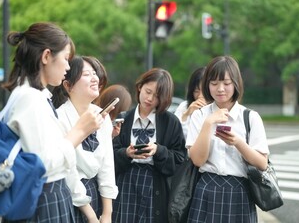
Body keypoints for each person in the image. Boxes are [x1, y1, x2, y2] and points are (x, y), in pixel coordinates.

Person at [1, 22, 103, 222]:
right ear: (46, 56)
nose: (67, 67)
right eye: (66, 59)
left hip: (46, 196)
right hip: (43, 199)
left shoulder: (34, 96)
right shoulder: (29, 98)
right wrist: (79, 132)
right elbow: (42, 164)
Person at [186, 56, 270, 223]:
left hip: (239, 191)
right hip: (206, 189)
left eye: (226, 83)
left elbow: (262, 163)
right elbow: (197, 160)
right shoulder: (199, 115)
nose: (220, 89)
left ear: (236, 83)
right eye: (214, 83)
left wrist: (237, 142)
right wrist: (209, 123)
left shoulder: (250, 117)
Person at [112, 68, 187, 223]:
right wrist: (126, 153)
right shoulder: (123, 119)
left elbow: (180, 159)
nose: (150, 98)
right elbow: (109, 155)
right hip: (126, 182)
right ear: (140, 87)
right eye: (148, 91)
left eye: (157, 96)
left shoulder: (170, 122)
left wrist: (158, 150)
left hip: (156, 184)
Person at [52, 56, 119, 223]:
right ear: (68, 85)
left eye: (94, 73)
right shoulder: (59, 118)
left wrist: (107, 214)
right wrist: (90, 216)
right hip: (67, 197)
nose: (94, 78)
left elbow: (107, 166)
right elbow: (69, 172)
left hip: (95, 193)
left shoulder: (101, 115)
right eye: (86, 74)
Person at [174, 67, 207, 139]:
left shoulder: (217, 108)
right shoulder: (184, 106)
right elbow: (175, 135)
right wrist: (186, 114)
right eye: (196, 91)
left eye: (204, 91)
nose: (200, 96)